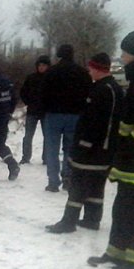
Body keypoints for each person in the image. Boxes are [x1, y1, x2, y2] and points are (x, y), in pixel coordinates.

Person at [88, 30, 134, 269]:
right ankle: (118, 252)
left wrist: (130, 149)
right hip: (132, 157)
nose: (121, 56)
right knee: (123, 207)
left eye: (125, 52)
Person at [45, 52, 123, 233]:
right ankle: (92, 219)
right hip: (100, 149)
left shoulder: (106, 90)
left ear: (97, 68)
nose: (89, 72)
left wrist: (84, 144)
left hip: (93, 149)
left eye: (91, 68)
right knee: (95, 184)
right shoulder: (106, 87)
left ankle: (68, 221)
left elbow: (98, 122)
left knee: (78, 183)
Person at [41, 44, 92, 192]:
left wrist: (45, 109)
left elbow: (43, 93)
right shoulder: (82, 73)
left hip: (53, 115)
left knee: (52, 149)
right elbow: (88, 93)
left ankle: (53, 181)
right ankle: (68, 178)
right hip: (75, 115)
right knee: (70, 148)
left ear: (58, 55)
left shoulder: (51, 72)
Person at [20, 55, 51, 164]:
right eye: (39, 65)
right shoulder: (31, 78)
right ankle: (25, 157)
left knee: (47, 136)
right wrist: (28, 102)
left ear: (48, 66)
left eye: (44, 65)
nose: (41, 67)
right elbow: (23, 92)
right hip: (32, 111)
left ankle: (46, 158)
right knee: (28, 136)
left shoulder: (51, 78)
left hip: (46, 112)